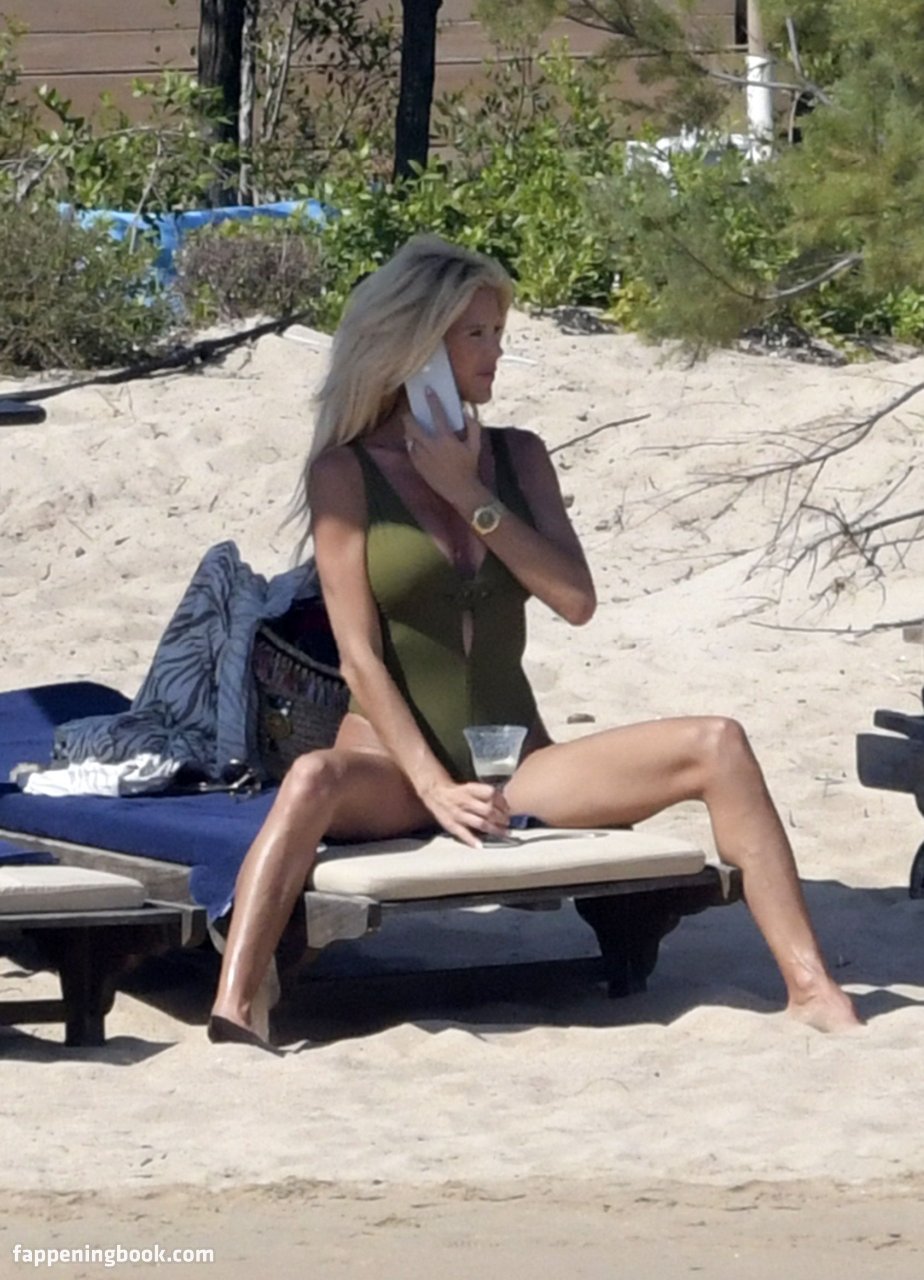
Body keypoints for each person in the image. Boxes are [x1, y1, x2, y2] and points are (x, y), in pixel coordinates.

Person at [208, 234, 862, 1048]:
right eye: (474, 335)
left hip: (514, 764)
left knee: (718, 744)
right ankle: (239, 1006)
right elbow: (359, 658)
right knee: (310, 777)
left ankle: (811, 988)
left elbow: (575, 600)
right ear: (417, 348)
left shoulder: (519, 457)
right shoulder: (345, 474)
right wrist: (433, 787)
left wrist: (469, 494)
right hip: (393, 770)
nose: (495, 353)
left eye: (499, 333)